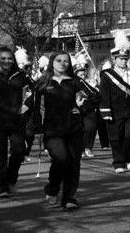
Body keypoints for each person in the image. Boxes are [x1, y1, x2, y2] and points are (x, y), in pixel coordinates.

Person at [33, 52, 89, 211]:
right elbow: (36, 108)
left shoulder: (76, 81)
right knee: (61, 158)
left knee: (73, 163)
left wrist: (81, 110)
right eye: (59, 60)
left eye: (66, 61)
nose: (63, 63)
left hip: (74, 129)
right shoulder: (42, 83)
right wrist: (37, 129)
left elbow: (94, 96)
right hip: (52, 130)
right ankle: (52, 187)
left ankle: (69, 197)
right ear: (52, 62)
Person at [0, 47, 33, 198]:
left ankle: (11, 179)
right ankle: (2, 187)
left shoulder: (22, 76)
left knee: (18, 151)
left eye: (9, 58)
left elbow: (34, 92)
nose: (7, 61)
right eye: (3, 58)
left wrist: (26, 106)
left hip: (17, 121)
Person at [100, 32, 130, 173]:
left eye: (125, 59)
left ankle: (127, 158)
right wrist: (105, 111)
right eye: (121, 59)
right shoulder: (107, 75)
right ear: (114, 59)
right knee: (116, 137)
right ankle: (118, 163)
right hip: (115, 109)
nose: (124, 61)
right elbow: (104, 94)